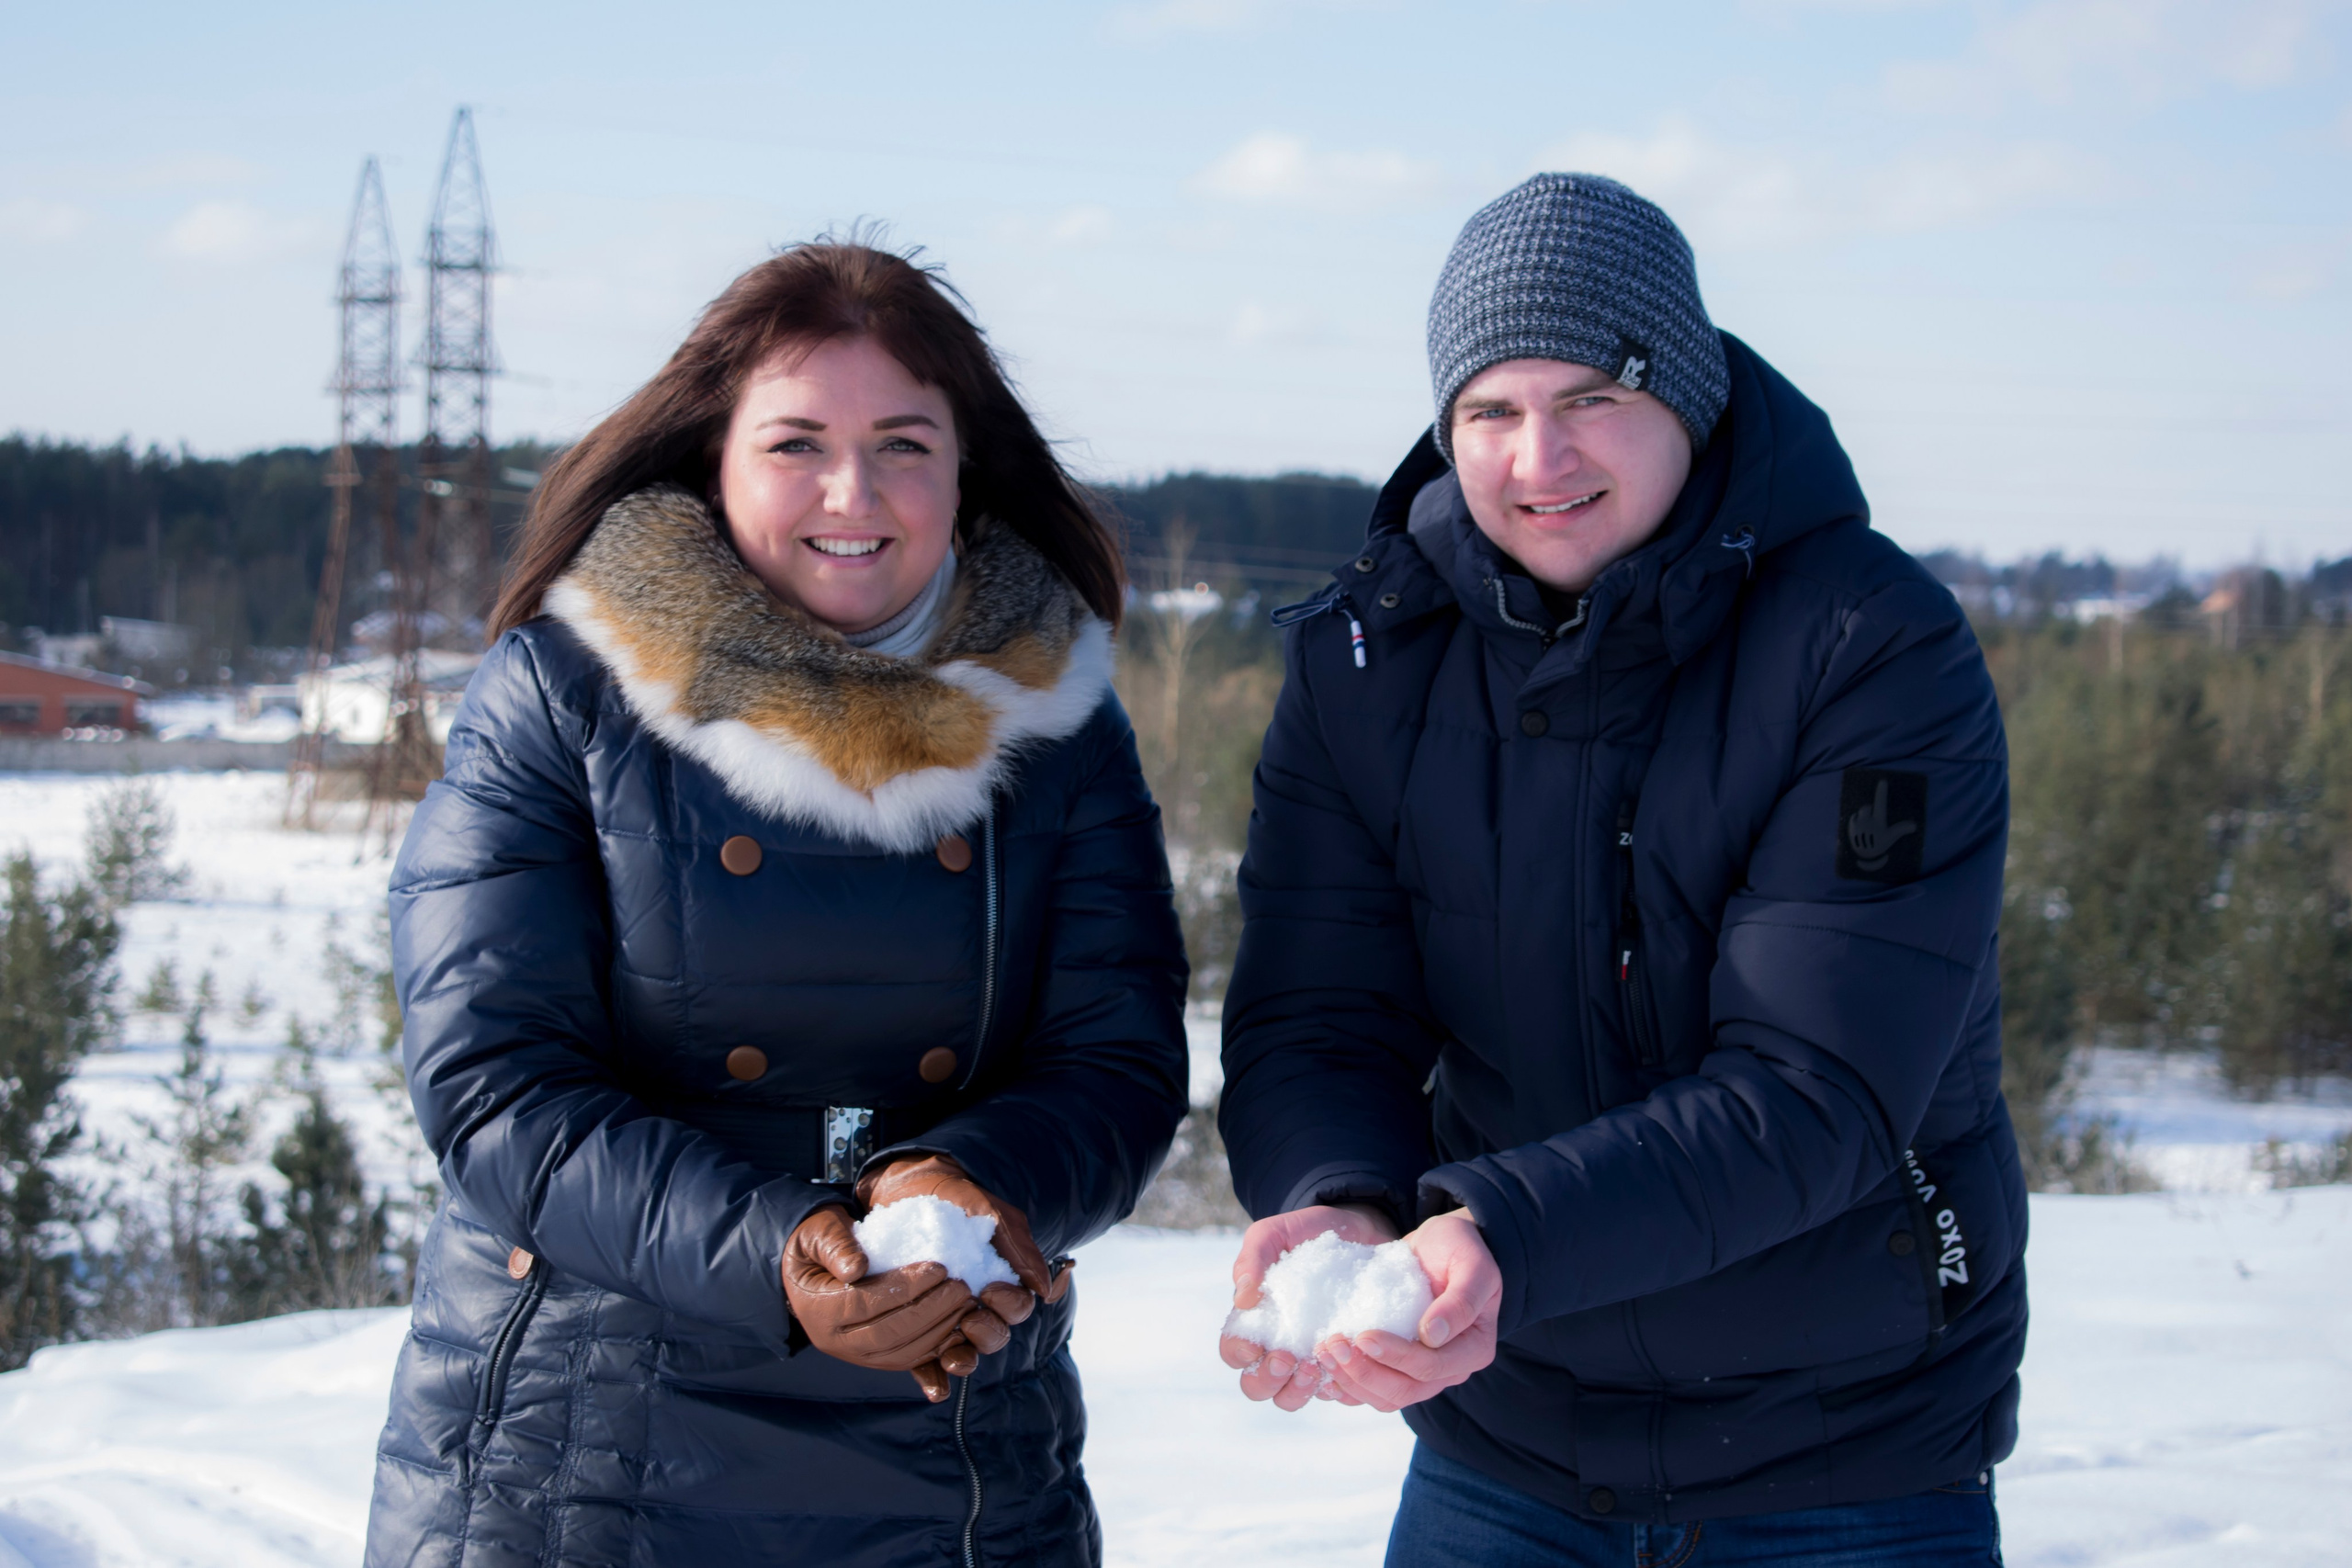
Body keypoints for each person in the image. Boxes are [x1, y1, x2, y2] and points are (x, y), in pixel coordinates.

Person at [1217, 174, 2021, 1566]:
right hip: (1508, 1440)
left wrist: (1499, 1235)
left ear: (1688, 399)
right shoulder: (1369, 659)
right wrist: (1344, 1197)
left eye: (1592, 396)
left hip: (1843, 1447)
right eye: (1490, 411)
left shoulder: (1872, 647)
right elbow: (1319, 1014)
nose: (1538, 458)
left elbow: (1818, 1088)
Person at [364, 241, 1188, 1568]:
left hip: (953, 1414)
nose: (852, 494)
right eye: (797, 444)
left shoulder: (1059, 721)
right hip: (589, 1439)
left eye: (904, 444)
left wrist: (966, 1184)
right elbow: (495, 1088)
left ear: (965, 470)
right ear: (716, 460)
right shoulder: (563, 694)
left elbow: (1119, 1061)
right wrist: (779, 1251)